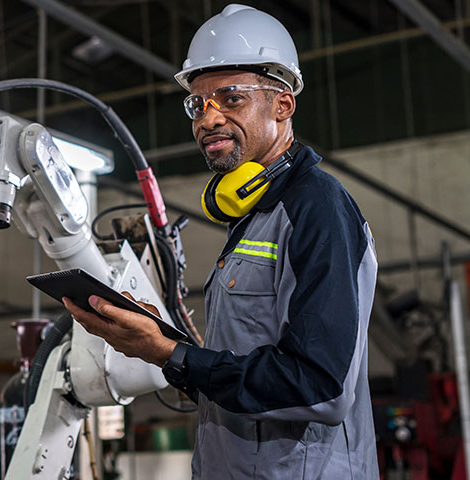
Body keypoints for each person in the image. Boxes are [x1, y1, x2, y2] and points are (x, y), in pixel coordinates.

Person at [63, 4, 379, 479]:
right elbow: (240, 377)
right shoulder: (253, 216)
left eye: (230, 98)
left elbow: (320, 387)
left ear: (282, 105)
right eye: (198, 104)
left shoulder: (316, 207)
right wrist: (157, 342)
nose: (207, 118)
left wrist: (171, 353)